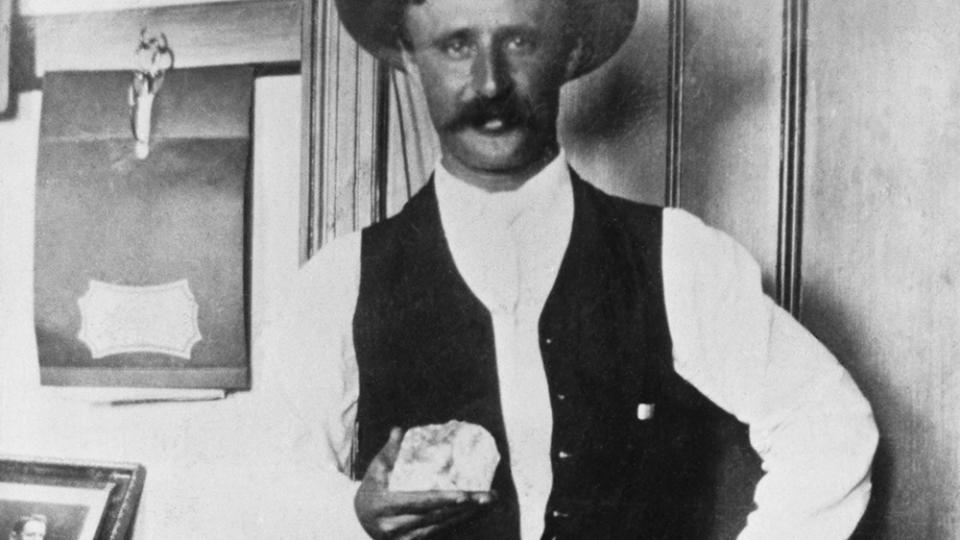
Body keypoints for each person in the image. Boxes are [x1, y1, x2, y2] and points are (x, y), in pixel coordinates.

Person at [289, 0, 879, 538]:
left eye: (519, 41)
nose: (490, 82)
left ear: (569, 52)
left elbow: (828, 425)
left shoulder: (675, 255)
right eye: (456, 45)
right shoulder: (340, 281)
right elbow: (262, 480)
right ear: (410, 59)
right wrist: (350, 516)